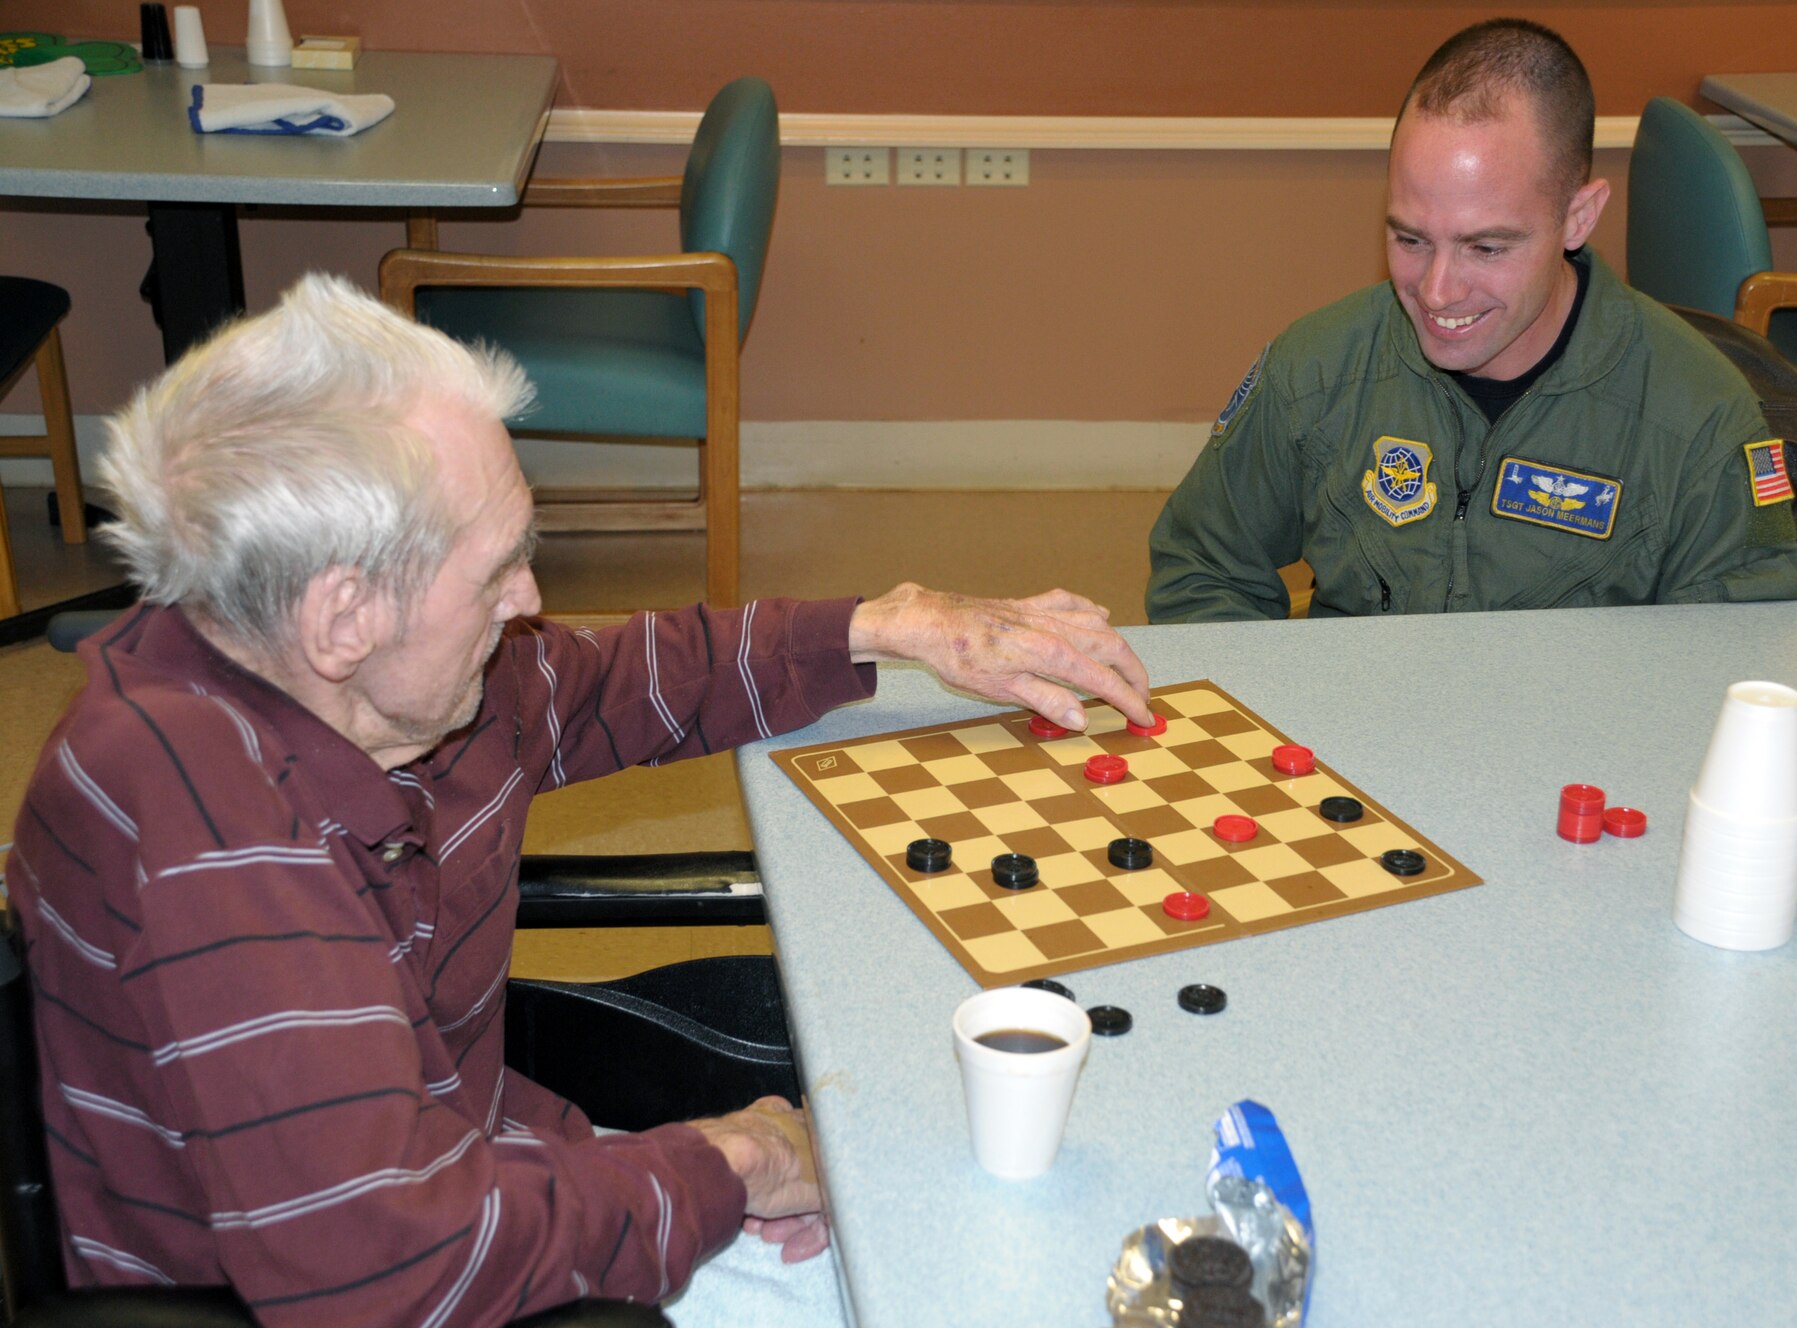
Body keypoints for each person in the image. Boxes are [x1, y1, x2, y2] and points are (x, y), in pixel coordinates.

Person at [7, 273, 1152, 1324]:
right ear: (341, 614)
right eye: (498, 564)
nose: (531, 596)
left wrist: (890, 623)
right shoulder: (203, 840)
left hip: (486, 1159)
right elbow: (400, 1271)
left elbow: (613, 682)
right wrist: (731, 1164)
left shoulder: (378, 681)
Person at [1146, 19, 1797, 622]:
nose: (1436, 292)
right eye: (1410, 240)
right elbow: (1202, 568)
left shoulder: (1700, 418)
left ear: (1578, 217)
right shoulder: (1316, 369)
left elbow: (1739, 671)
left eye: (1485, 248)